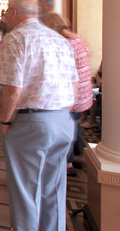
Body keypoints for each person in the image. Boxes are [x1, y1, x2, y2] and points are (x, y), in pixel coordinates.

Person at [0, 0, 77, 231]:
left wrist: (5, 122)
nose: (5, 15)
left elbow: (12, 90)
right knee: (54, 189)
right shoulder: (58, 39)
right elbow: (74, 84)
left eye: (7, 10)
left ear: (15, 13)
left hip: (31, 122)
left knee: (26, 193)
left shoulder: (16, 38)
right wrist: (60, 114)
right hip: (62, 119)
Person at [41, 12, 93, 176]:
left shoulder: (66, 44)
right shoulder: (78, 39)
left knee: (66, 127)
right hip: (83, 91)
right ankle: (78, 156)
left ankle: (68, 162)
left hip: (72, 94)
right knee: (74, 124)